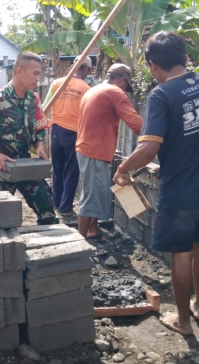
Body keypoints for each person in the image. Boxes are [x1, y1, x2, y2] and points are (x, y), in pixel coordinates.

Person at [112, 32, 199, 336]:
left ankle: (183, 322)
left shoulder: (161, 95)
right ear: (183, 56)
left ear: (152, 65)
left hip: (182, 192)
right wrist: (166, 165)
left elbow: (148, 147)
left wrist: (123, 169)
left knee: (181, 252)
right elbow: (194, 134)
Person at [0, 51, 58, 225]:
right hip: (1, 170)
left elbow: (39, 127)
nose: (38, 78)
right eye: (35, 73)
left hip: (26, 166)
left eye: (39, 73)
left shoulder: (33, 99)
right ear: (19, 71)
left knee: (47, 208)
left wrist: (39, 145)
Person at [76, 63, 143, 240]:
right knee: (90, 197)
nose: (125, 91)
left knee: (96, 192)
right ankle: (80, 243)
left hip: (88, 148)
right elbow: (135, 122)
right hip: (94, 151)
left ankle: (93, 229)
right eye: (125, 86)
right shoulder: (114, 92)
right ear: (121, 80)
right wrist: (157, 136)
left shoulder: (94, 90)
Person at [43, 55, 92, 221]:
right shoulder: (86, 88)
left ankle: (57, 203)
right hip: (73, 133)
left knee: (57, 169)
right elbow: (88, 116)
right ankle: (65, 208)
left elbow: (44, 107)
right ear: (85, 69)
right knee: (72, 171)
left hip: (55, 131)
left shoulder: (57, 83)